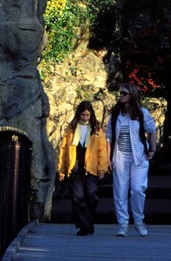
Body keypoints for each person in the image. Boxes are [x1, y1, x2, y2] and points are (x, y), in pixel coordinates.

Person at [108, 81, 158, 237]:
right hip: (120, 156)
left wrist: (152, 149)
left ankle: (138, 221)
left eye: (124, 93)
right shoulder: (115, 114)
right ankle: (123, 224)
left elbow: (152, 131)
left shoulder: (142, 113)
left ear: (132, 95)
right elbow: (108, 137)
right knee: (120, 191)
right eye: (120, 93)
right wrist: (108, 159)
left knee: (137, 189)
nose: (121, 96)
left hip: (139, 157)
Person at [57, 100, 110, 236]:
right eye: (82, 115)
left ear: (91, 115)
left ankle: (88, 221)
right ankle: (84, 225)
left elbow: (102, 150)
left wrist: (102, 169)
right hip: (75, 166)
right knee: (77, 197)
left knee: (91, 195)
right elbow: (64, 150)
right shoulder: (71, 128)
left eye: (87, 115)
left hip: (91, 167)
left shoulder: (97, 130)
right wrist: (62, 169)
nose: (85, 118)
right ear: (78, 114)